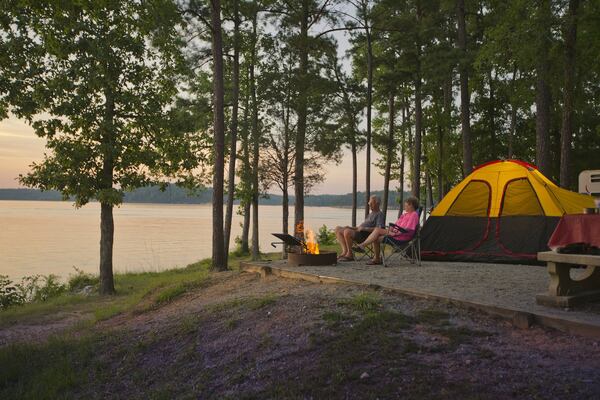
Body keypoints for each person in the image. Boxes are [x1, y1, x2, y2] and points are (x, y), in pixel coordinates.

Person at [357, 197, 420, 265]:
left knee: (377, 230)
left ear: (411, 205)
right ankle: (376, 259)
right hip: (395, 234)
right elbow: (396, 225)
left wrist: (395, 232)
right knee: (376, 237)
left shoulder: (414, 215)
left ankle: (362, 245)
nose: (404, 206)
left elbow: (409, 229)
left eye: (406, 205)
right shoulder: (404, 215)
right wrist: (391, 229)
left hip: (402, 237)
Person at [335, 195, 385, 261]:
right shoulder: (371, 214)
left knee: (347, 231)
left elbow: (379, 229)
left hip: (366, 236)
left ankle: (350, 255)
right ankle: (345, 252)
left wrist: (365, 229)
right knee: (338, 229)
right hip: (359, 232)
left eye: (371, 203)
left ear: (377, 204)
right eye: (369, 203)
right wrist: (351, 227)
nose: (369, 205)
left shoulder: (379, 214)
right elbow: (360, 227)